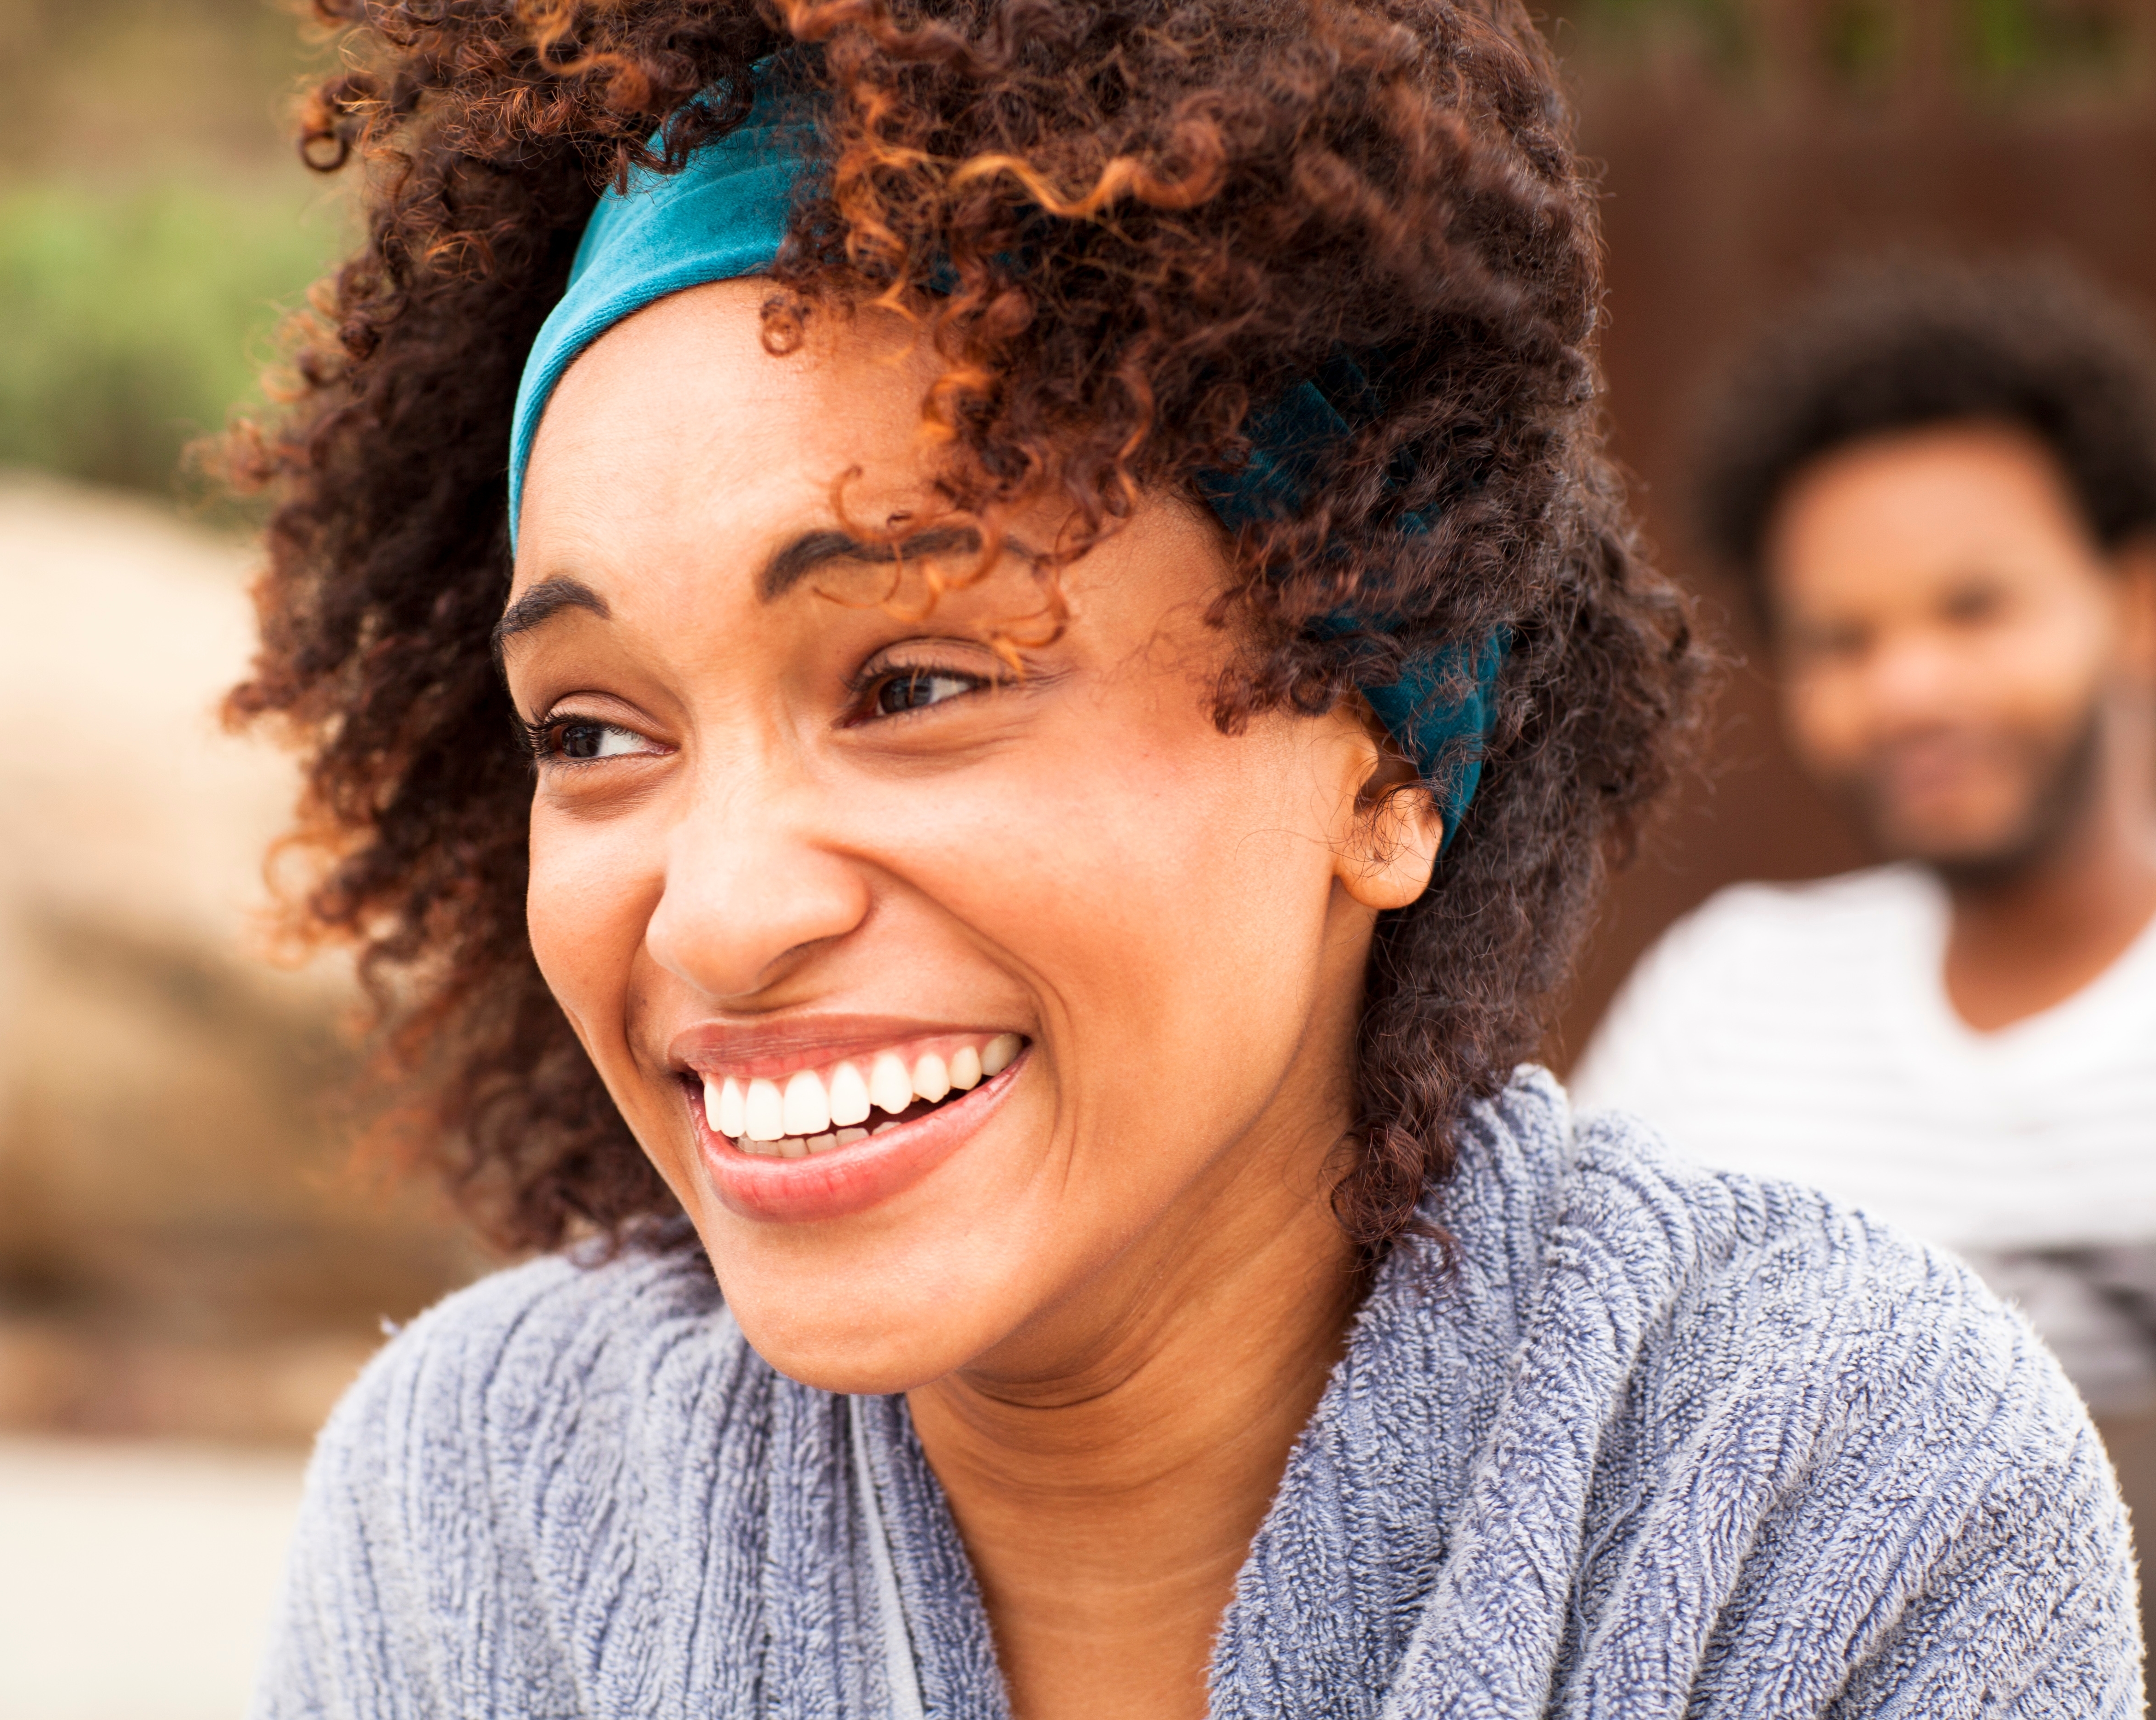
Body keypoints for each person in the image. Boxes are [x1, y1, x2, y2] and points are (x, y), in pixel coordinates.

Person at [231, 6, 2134, 1714]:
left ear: (1385, 749)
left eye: (911, 680)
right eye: (592, 732)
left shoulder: (1831, 1499)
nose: (719, 912)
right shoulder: (485, 1508)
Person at [1573, 263, 2156, 1411]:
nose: (1909, 689)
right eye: (1841, 639)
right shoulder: (1731, 994)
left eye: (1974, 608)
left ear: (2132, 604)